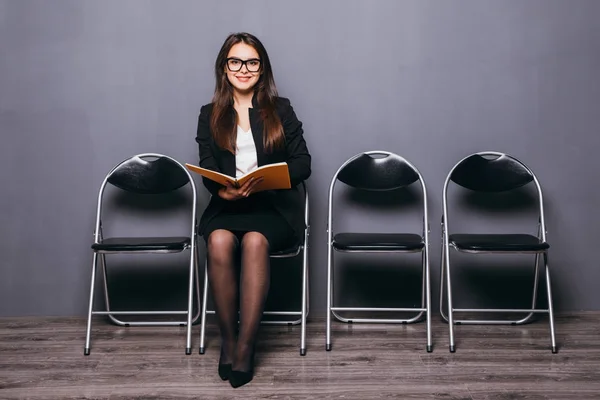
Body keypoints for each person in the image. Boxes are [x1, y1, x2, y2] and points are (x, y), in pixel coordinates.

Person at [195, 32, 311, 388]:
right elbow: (206, 166)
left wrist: (269, 181)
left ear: (262, 70)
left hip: (273, 208)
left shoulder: (281, 110)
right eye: (235, 61)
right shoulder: (209, 114)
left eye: (251, 62)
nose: (243, 69)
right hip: (227, 208)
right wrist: (221, 189)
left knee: (256, 242)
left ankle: (246, 347)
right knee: (217, 241)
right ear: (224, 68)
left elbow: (303, 164)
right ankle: (228, 342)